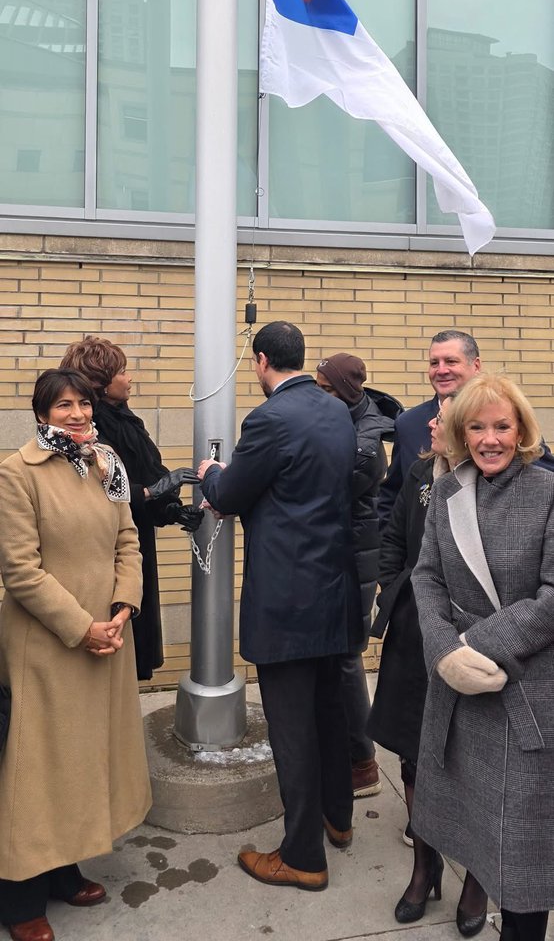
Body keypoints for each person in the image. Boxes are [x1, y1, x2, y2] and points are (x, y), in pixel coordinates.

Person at [198, 321, 363, 892]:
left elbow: (229, 494)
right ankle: (337, 821)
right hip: (334, 590)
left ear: (261, 359)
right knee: (328, 712)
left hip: (287, 600)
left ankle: (302, 857)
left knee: (292, 730)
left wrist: (212, 474)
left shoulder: (267, 418)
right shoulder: (335, 411)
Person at [0, 368, 151, 941]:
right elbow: (20, 570)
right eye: (63, 405)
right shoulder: (17, 474)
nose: (78, 414)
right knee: (36, 767)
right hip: (48, 643)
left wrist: (122, 606)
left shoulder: (105, 464)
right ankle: (18, 897)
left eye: (83, 404)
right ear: (42, 413)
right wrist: (80, 626)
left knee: (81, 759)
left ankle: (64, 872)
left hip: (107, 634)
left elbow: (128, 540)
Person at [412, 373, 554, 941]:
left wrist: (476, 644)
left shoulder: (547, 491)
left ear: (520, 429)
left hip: (528, 692)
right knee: (472, 827)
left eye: (502, 425)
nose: (490, 438)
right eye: (477, 426)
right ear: (459, 432)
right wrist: (444, 652)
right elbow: (425, 576)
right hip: (460, 694)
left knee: (524, 855)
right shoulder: (447, 493)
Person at [370, 395, 488, 936]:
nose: (432, 423)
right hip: (415, 635)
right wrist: (394, 590)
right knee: (415, 755)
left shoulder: (496, 482)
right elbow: (394, 537)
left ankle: (478, 882)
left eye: (443, 418)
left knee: (474, 764)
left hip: (475, 643)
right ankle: (425, 865)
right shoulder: (420, 471)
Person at [60, 336, 200, 681]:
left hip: (137, 545)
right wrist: (152, 492)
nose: (129, 378)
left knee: (134, 638)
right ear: (100, 383)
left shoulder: (126, 420)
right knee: (108, 643)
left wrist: (172, 510)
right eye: (121, 372)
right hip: (105, 553)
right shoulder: (89, 431)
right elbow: (100, 490)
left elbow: (147, 473)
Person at [315, 352, 402, 797]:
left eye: (327, 390)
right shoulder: (342, 418)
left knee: (348, 656)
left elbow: (328, 487)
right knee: (336, 655)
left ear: (348, 392)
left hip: (354, 554)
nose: (319, 396)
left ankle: (363, 763)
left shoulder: (366, 439)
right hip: (339, 549)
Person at [378, 330, 480, 526]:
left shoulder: (504, 416)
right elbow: (392, 495)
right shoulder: (409, 423)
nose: (441, 370)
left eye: (451, 361)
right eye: (434, 363)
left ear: (475, 366)